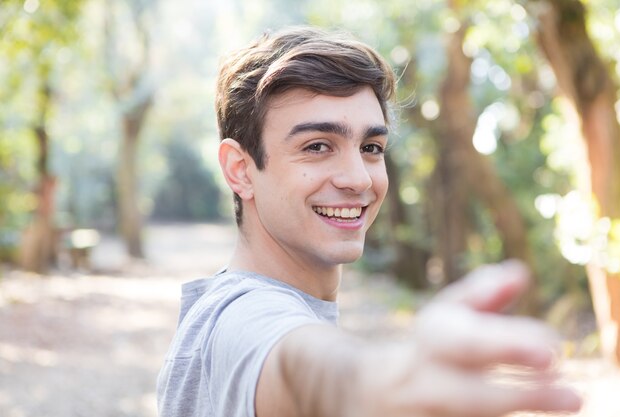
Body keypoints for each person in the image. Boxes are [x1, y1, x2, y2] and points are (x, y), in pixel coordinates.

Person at [157, 26, 582, 417]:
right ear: (240, 170)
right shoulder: (243, 316)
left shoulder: (218, 310)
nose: (359, 178)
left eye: (371, 147)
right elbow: (307, 366)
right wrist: (383, 380)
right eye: (318, 146)